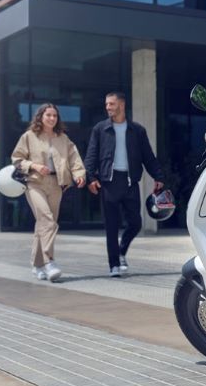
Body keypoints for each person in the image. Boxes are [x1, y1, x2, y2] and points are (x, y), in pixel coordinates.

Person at [84, 92, 164, 277]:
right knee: (111, 226)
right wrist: (90, 178)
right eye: (106, 104)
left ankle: (121, 251)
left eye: (111, 104)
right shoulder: (100, 129)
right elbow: (91, 155)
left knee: (136, 223)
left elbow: (148, 156)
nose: (108, 107)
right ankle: (114, 265)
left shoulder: (137, 130)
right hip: (109, 183)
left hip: (130, 183)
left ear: (121, 105)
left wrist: (158, 177)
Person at [11, 103, 86, 282]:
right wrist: (34, 166)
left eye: (55, 116)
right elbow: (17, 159)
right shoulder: (29, 136)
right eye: (48, 115)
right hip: (35, 183)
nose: (52, 118)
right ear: (41, 117)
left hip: (56, 185)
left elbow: (74, 159)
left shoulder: (63, 138)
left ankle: (37, 265)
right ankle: (49, 262)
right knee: (47, 221)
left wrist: (79, 174)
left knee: (43, 225)